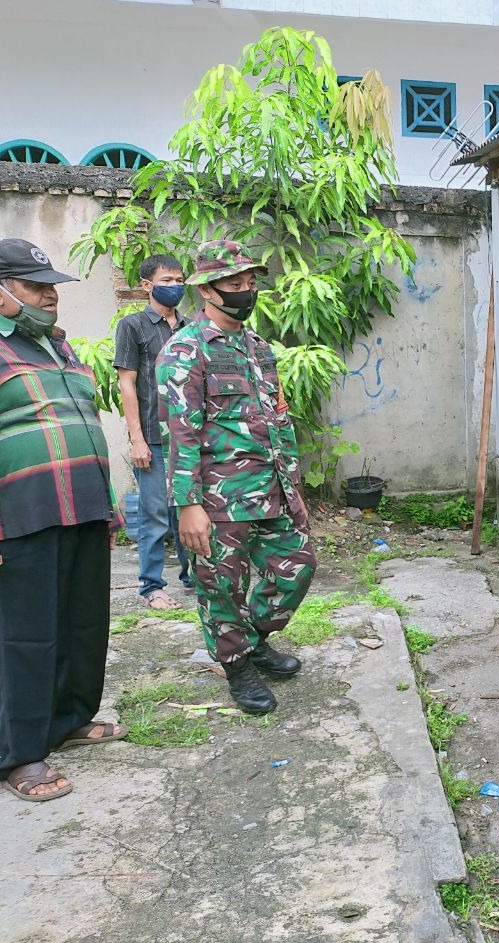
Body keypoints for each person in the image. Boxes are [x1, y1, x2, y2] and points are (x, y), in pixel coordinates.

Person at [158, 240, 315, 715]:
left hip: (271, 489)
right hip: (217, 499)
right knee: (220, 585)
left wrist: (295, 489)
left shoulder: (259, 348)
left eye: (250, 283)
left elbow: (278, 419)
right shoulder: (185, 350)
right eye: (234, 283)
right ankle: (237, 664)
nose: (246, 291)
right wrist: (188, 505)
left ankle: (255, 637)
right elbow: (180, 434)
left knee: (297, 566)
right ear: (207, 290)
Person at [0, 238, 126, 802]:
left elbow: (81, 423)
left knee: (82, 622)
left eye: (51, 285)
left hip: (82, 504)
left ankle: (70, 717)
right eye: (35, 286)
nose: (50, 296)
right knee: (25, 635)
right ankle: (21, 752)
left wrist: (109, 500)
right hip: (23, 511)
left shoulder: (57, 346)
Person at [115, 255, 193, 609]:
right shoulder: (133, 326)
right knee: (155, 512)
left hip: (187, 438)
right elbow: (127, 384)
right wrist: (137, 440)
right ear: (147, 285)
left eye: (179, 278)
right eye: (167, 279)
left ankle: (193, 576)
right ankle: (151, 586)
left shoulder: (191, 329)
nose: (174, 284)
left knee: (188, 508)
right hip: (152, 437)